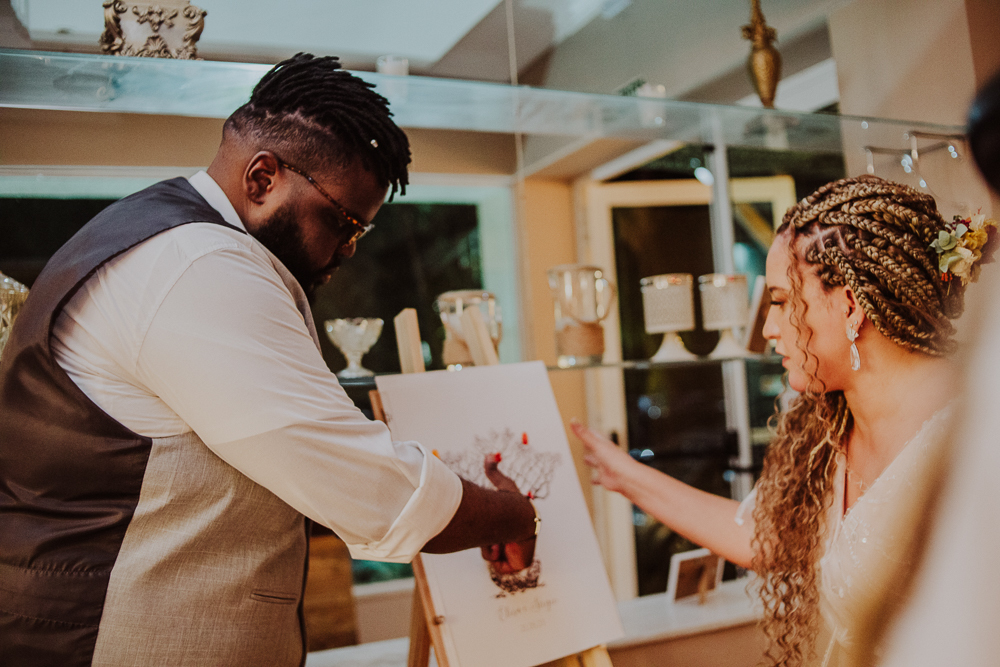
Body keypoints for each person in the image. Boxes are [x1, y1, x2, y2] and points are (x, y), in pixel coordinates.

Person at [0, 53, 536, 666]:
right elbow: (369, 488)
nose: (346, 252)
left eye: (359, 233)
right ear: (262, 178)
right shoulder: (198, 264)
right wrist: (511, 515)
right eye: (342, 223)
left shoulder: (161, 236)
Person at [572, 174, 996, 667]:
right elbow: (763, 536)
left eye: (779, 301)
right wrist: (626, 476)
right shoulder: (829, 432)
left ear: (850, 306)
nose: (770, 329)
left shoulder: (976, 433)